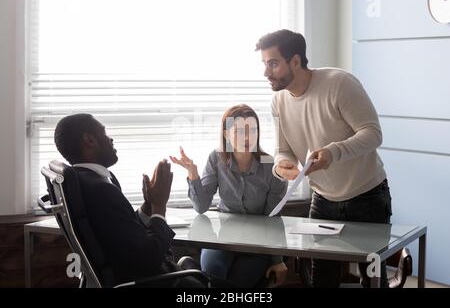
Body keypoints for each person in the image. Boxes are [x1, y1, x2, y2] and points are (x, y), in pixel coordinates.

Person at [255, 29, 392, 288]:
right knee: (321, 279)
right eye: (264, 64)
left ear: (295, 60)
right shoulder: (278, 102)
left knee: (373, 278)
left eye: (273, 63)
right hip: (323, 201)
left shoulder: (339, 83)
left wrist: (333, 152)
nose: (266, 72)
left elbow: (373, 134)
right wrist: (280, 165)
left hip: (367, 197)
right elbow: (282, 149)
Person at [53, 113, 229, 287]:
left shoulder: (88, 181)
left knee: (198, 268)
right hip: (150, 281)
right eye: (105, 133)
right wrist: (160, 205)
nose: (111, 139)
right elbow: (149, 257)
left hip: (143, 273)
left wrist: (149, 205)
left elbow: (125, 231)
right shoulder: (101, 190)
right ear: (89, 140)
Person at [170, 104, 288, 287]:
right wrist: (192, 173)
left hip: (256, 246)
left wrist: (277, 260)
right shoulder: (216, 158)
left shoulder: (272, 165)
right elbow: (201, 207)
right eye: (240, 131)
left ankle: (191, 270)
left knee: (233, 284)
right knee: (213, 272)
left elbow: (272, 218)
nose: (248, 137)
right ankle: (197, 275)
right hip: (223, 241)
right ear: (226, 134)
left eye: (253, 130)